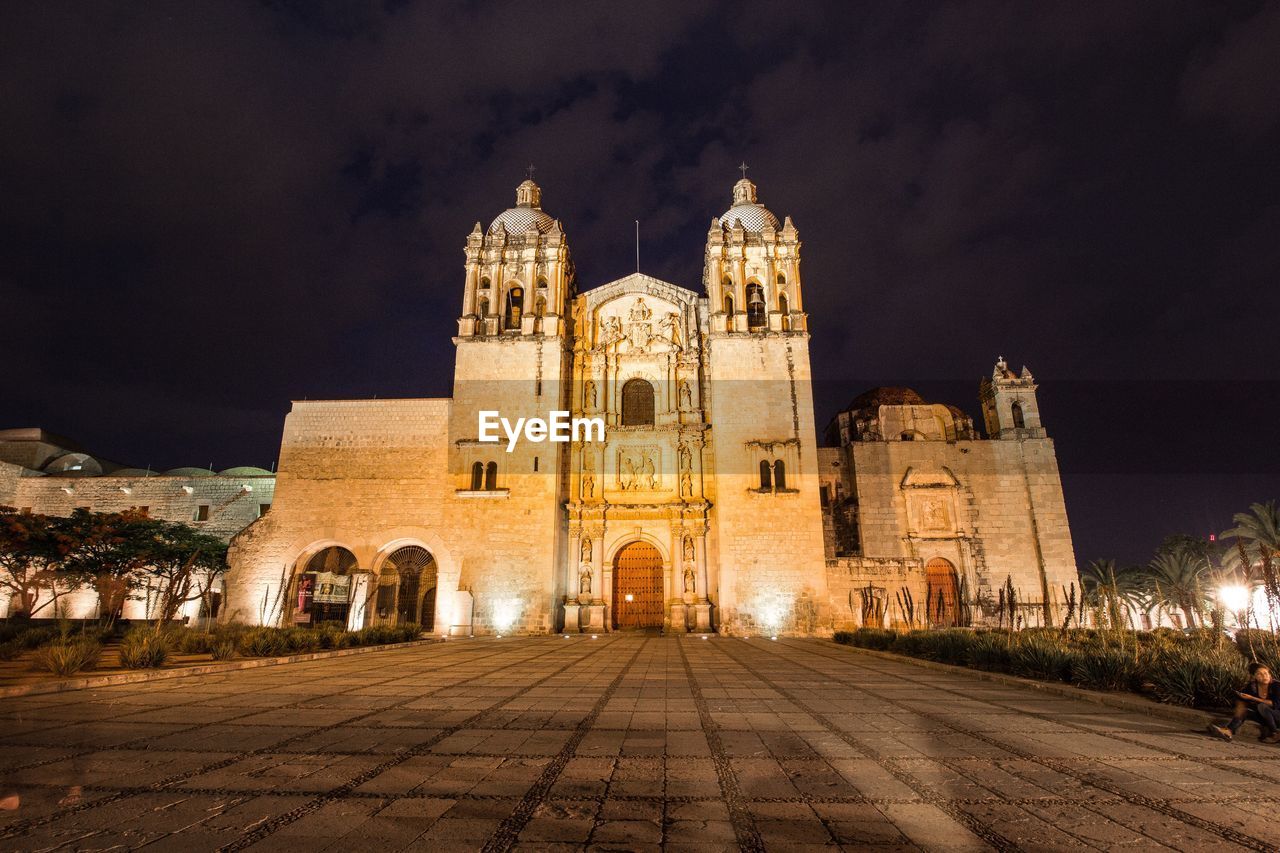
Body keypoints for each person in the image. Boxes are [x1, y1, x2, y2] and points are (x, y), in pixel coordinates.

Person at [1208, 662, 1280, 742]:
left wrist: (1253, 698)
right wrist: (1240, 706)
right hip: (1265, 717)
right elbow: (1241, 698)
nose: (1264, 676)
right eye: (1259, 674)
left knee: (1262, 706)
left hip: (1277, 716)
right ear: (1254, 676)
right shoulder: (1252, 686)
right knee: (1245, 710)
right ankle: (1229, 731)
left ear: (1270, 674)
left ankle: (1275, 733)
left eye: (1266, 673)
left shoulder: (1276, 685)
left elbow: (1275, 704)